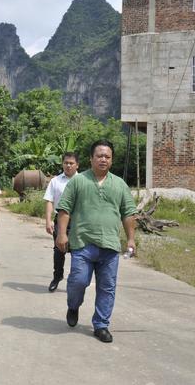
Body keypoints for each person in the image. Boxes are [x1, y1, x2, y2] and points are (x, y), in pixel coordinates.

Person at [56, 140, 137, 343]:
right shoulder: (78, 181)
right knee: (79, 281)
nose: (103, 159)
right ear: (91, 158)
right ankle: (73, 305)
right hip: (82, 243)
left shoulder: (119, 184)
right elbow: (64, 208)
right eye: (99, 156)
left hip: (110, 246)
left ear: (111, 160)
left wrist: (131, 239)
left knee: (107, 287)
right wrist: (62, 234)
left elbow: (128, 213)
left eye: (107, 156)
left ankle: (101, 325)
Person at [43, 152, 79, 292]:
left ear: (77, 165)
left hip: (78, 222)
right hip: (60, 220)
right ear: (62, 164)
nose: (68, 165)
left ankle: (75, 281)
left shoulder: (83, 180)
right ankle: (57, 277)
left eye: (71, 163)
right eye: (66, 163)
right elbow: (49, 201)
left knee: (78, 252)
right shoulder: (55, 181)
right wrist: (48, 221)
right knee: (59, 250)